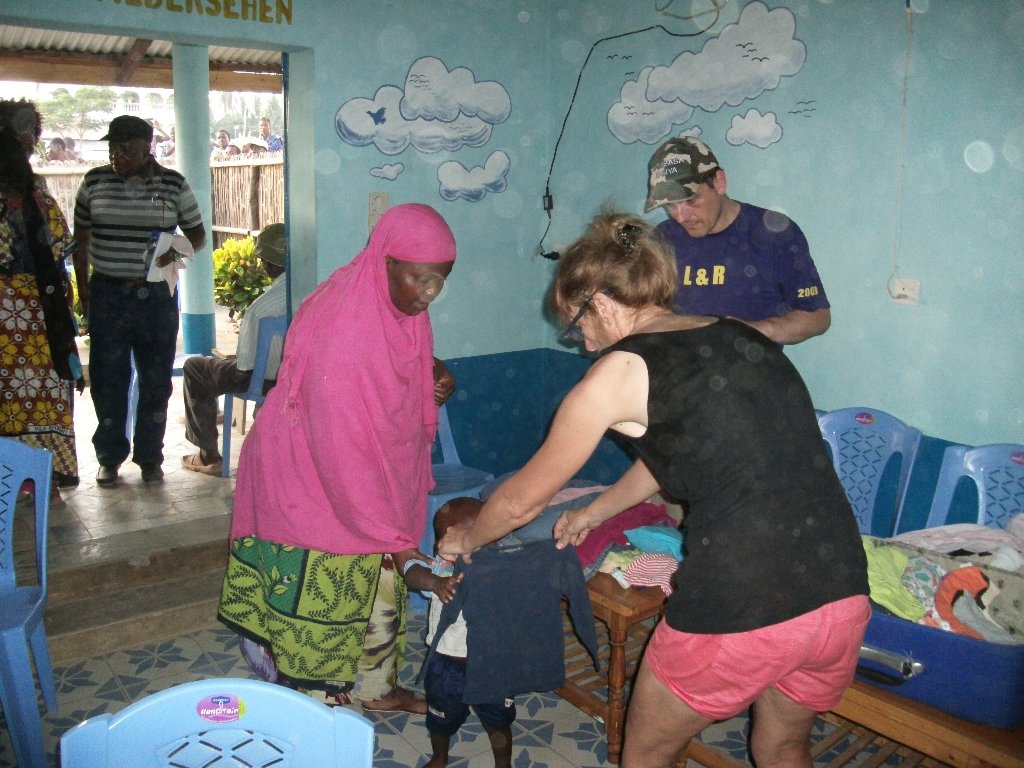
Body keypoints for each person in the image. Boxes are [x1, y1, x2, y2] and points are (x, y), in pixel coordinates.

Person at [438, 210, 870, 768]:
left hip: (742, 600)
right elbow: (678, 456)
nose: (586, 346)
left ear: (602, 303)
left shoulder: (617, 372)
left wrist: (471, 538)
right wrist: (595, 511)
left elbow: (524, 499)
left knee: (644, 756)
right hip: (839, 592)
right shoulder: (738, 335)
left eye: (578, 328)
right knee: (782, 745)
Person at [217, 203, 458, 715]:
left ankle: (377, 689)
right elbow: (337, 444)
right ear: (385, 262)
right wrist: (387, 530)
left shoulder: (389, 301)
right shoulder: (343, 326)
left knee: (378, 580)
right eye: (420, 279)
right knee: (327, 580)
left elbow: (398, 355)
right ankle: (315, 705)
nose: (429, 294)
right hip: (311, 475)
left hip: (362, 470)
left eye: (440, 281)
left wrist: (432, 370)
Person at [73, 114, 207, 486]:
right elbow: (81, 242)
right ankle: (109, 457)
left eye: (126, 148)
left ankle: (149, 457)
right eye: (113, 148)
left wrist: (169, 257)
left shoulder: (173, 185)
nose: (117, 155)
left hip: (155, 299)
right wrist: (84, 294)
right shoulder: (94, 182)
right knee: (107, 380)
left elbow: (198, 236)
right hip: (108, 294)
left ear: (148, 146)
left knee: (156, 380)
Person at [644, 136, 830, 345]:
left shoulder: (775, 234)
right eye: (670, 205)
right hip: (677, 371)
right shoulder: (661, 240)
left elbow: (817, 317)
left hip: (751, 371)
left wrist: (755, 330)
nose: (680, 216)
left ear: (719, 182)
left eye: (691, 200)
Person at [0, 98, 83, 491]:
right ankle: (39, 481)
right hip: (38, 321)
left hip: (15, 322)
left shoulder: (38, 198)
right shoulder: (40, 200)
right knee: (42, 396)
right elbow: (59, 258)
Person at [402, 498, 513, 768]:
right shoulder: (441, 570)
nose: (474, 551)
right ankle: (440, 757)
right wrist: (435, 583)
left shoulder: (500, 569)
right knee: (440, 718)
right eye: (463, 542)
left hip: (491, 664)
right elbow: (409, 572)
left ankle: (503, 764)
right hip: (446, 663)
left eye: (485, 540)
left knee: (498, 720)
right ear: (442, 545)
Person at [180, 223, 288, 476]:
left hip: (260, 381)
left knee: (195, 367)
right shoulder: (312, 291)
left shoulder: (258, 310)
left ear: (267, 263)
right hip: (292, 377)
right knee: (219, 365)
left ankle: (209, 456)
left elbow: (245, 367)